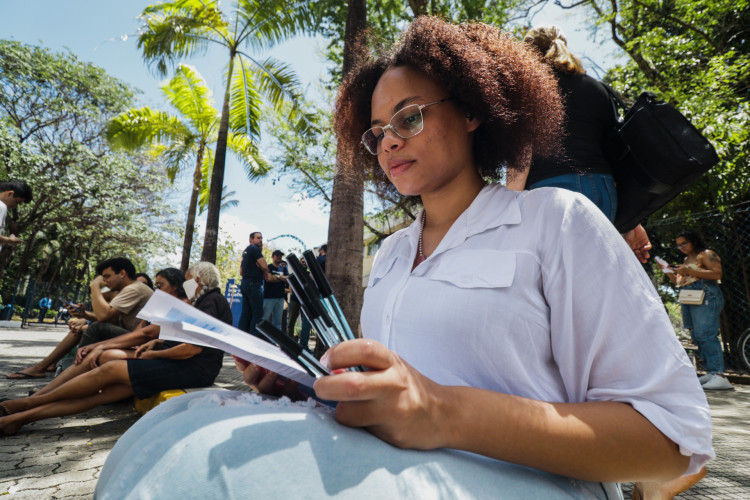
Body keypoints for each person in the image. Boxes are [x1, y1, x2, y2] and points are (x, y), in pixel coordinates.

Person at [95, 18, 712, 499]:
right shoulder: (390, 253)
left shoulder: (557, 222)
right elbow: (397, 396)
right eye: (377, 130)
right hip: (388, 467)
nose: (389, 139)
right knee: (160, 438)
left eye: (410, 117)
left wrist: (442, 411)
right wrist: (314, 387)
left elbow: (669, 443)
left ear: (473, 110)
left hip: (537, 482)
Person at [0, 262, 232, 435]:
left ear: (199, 281)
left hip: (192, 368)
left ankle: (27, 404)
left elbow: (192, 349)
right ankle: (21, 418)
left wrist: (154, 353)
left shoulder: (211, 301)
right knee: (101, 395)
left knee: (109, 370)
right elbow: (175, 335)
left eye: (189, 280)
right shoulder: (204, 302)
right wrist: (157, 343)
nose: (186, 284)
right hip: (184, 364)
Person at [514, 26, 652, 264]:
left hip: (553, 194)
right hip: (604, 191)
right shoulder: (597, 88)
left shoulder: (531, 91)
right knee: (596, 275)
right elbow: (615, 152)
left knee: (558, 282)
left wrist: (507, 208)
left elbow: (521, 156)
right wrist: (631, 221)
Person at [28, 268, 188, 399]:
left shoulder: (182, 305)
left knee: (101, 351)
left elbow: (146, 334)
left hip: (155, 353)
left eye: (160, 286)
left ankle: (48, 394)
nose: (156, 290)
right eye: (156, 286)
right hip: (138, 345)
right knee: (97, 350)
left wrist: (95, 286)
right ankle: (45, 393)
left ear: (175, 285)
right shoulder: (157, 302)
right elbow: (139, 330)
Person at [6, 257, 152, 379]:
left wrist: (95, 286)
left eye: (107, 276)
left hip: (138, 340)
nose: (105, 281)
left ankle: (72, 376)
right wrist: (84, 314)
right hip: (129, 334)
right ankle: (46, 366)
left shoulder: (135, 289)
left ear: (122, 273)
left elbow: (103, 316)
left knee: (94, 328)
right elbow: (110, 319)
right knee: (81, 328)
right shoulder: (127, 289)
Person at [660, 230, 730, 390]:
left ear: (693, 241)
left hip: (706, 295)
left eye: (684, 243)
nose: (681, 247)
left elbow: (717, 273)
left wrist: (689, 270)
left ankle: (719, 375)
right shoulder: (686, 259)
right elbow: (679, 281)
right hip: (689, 295)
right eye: (678, 245)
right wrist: (666, 269)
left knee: (706, 333)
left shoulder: (706, 254)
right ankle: (711, 372)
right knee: (697, 335)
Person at [238, 231, 286, 337]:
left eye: (261, 238)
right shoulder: (254, 249)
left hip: (245, 283)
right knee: (257, 313)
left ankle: (242, 336)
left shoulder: (246, 252)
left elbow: (241, 272)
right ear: (251, 239)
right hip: (253, 284)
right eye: (258, 238)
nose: (260, 240)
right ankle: (253, 339)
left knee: (247, 313)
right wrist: (263, 267)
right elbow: (265, 266)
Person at [0, 179, 32, 251]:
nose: (15, 206)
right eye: (17, 202)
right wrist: (10, 240)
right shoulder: (1, 206)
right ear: (9, 194)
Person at [262, 250, 288, 331]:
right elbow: (268, 279)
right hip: (269, 297)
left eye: (280, 256)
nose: (279, 257)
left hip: (280, 297)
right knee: (264, 320)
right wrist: (281, 278)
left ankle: (275, 342)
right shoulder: (269, 267)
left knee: (277, 323)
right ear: (272, 256)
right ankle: (262, 338)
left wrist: (276, 277)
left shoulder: (283, 268)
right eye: (277, 255)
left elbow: (288, 279)